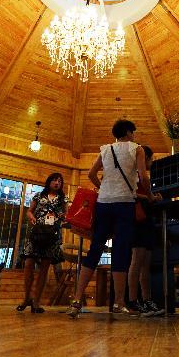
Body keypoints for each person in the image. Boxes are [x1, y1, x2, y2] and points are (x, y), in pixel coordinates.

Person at [67, 119, 150, 319]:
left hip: (103, 203)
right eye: (133, 132)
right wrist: (151, 195)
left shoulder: (105, 149)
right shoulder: (136, 149)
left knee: (95, 249)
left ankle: (77, 300)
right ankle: (118, 303)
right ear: (129, 132)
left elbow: (91, 174)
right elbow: (143, 176)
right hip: (124, 204)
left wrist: (103, 187)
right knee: (121, 252)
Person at [16, 172, 68, 313]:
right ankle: (26, 298)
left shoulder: (63, 198)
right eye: (54, 180)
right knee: (28, 265)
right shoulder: (39, 196)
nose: (57, 183)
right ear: (49, 181)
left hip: (51, 236)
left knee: (44, 268)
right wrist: (32, 217)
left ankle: (36, 301)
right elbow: (29, 211)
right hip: (36, 233)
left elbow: (66, 216)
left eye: (59, 181)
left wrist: (63, 217)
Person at [127, 145, 164, 317]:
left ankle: (146, 299)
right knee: (137, 260)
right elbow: (131, 194)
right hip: (138, 218)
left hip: (146, 219)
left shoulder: (143, 175)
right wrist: (151, 197)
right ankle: (133, 301)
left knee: (146, 263)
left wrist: (153, 196)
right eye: (150, 158)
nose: (151, 161)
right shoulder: (133, 173)